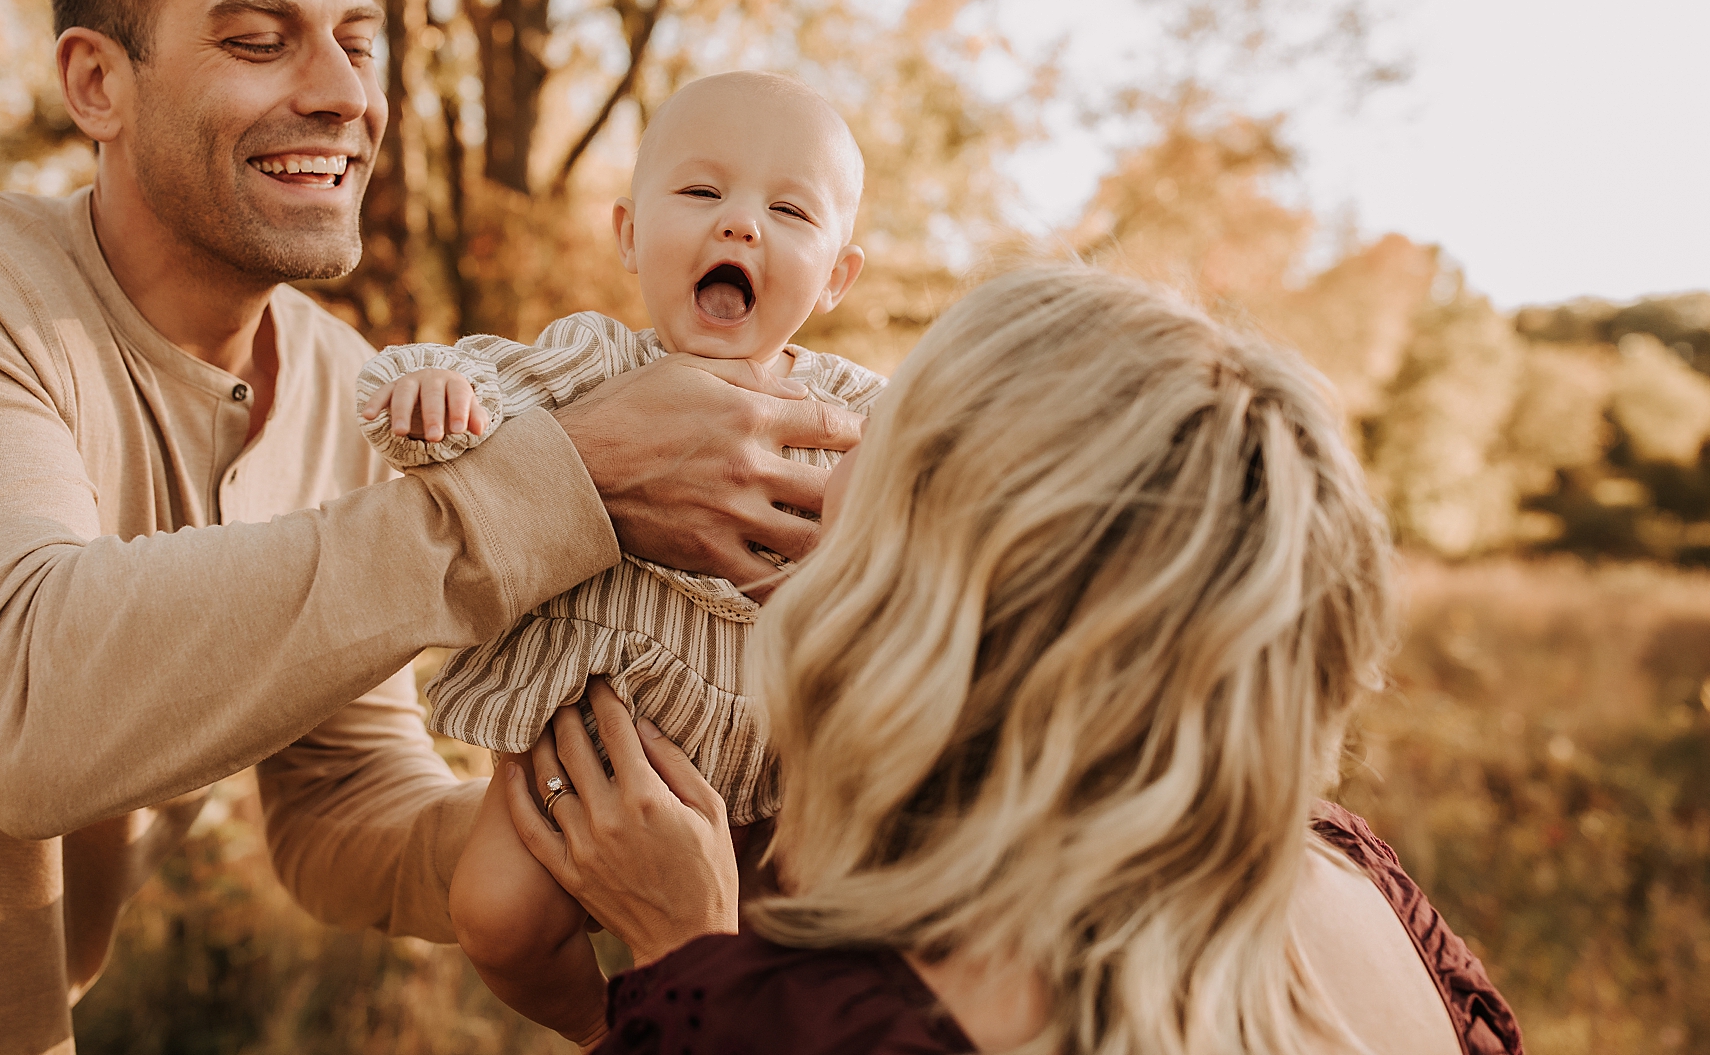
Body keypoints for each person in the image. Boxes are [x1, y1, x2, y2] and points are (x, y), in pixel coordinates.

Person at [0, 0, 862, 1054]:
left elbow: (340, 799)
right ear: (96, 82)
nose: (340, 94)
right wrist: (567, 480)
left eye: (357, 43)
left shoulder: (333, 378)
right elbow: (26, 703)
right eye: (259, 41)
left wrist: (587, 822)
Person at [506, 266, 1526, 1054]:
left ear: (940, 574)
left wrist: (689, 965)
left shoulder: (810, 1017)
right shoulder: (1336, 868)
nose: (837, 457)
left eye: (884, 427)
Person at [358, 70, 884, 1043]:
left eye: (786, 209)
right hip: (586, 727)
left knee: (812, 928)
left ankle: (716, 1022)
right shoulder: (594, 363)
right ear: (630, 234)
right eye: (700, 193)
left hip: (775, 756)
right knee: (497, 914)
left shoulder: (848, 409)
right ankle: (605, 1031)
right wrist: (434, 393)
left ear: (836, 277)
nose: (739, 227)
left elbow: (948, 465)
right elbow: (473, 378)